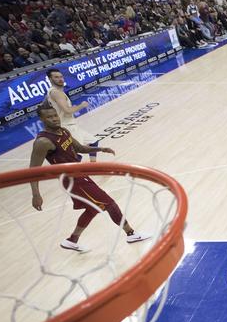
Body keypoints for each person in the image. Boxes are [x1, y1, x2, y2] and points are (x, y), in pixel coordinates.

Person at [30, 103, 150, 253]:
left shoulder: (63, 131)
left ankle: (72, 241)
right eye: (49, 117)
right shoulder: (43, 142)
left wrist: (100, 148)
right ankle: (131, 234)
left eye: (55, 115)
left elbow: (80, 148)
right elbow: (33, 170)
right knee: (109, 204)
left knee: (92, 209)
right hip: (72, 180)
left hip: (80, 175)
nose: (54, 119)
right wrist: (36, 194)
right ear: (41, 119)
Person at [45, 68, 99, 162]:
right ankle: (74, 174)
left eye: (61, 77)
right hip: (67, 126)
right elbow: (67, 111)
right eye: (56, 77)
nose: (60, 79)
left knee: (93, 141)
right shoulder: (56, 93)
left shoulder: (54, 92)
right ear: (50, 79)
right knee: (76, 153)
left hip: (70, 124)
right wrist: (81, 106)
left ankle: (93, 166)